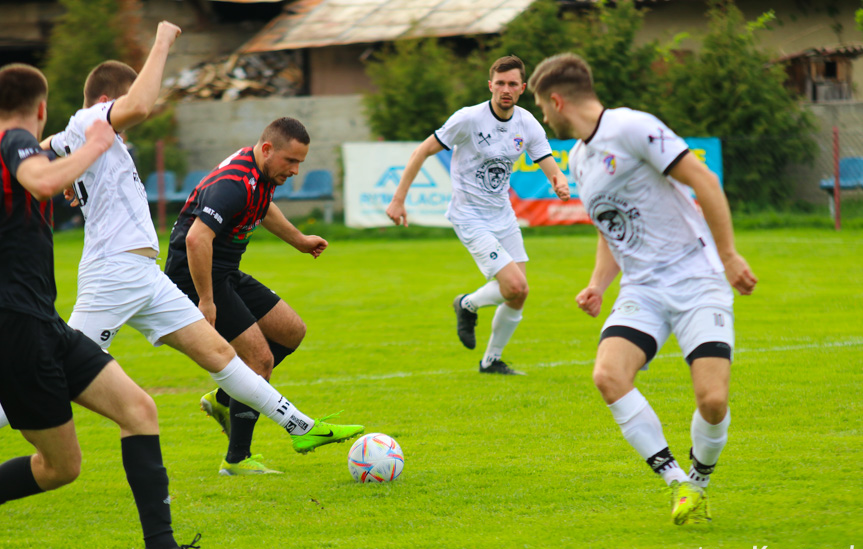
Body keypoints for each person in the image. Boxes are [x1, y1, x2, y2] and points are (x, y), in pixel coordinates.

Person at [0, 21, 363, 476]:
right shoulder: (92, 120)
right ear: (105, 103)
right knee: (48, 376)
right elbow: (140, 104)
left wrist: (66, 165)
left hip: (145, 275)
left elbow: (47, 146)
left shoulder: (90, 137)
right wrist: (163, 42)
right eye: (120, 108)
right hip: (112, 274)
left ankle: (300, 425)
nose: (128, 121)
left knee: (220, 356)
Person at [0, 63, 222, 549]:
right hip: (17, 326)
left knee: (139, 410)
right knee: (60, 467)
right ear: (39, 109)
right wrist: (96, 143)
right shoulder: (14, 140)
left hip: (41, 322)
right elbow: (40, 181)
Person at [528, 53, 758, 524]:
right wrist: (596, 283)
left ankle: (700, 483)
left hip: (697, 279)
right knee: (608, 376)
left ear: (557, 100)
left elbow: (703, 180)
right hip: (643, 288)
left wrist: (729, 254)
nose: (543, 118)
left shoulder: (632, 127)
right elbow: (609, 227)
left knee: (712, 401)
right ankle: (678, 483)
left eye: (541, 107)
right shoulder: (580, 158)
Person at [163, 117, 360, 471]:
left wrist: (299, 240)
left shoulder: (260, 173)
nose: (296, 170)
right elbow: (196, 239)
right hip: (195, 276)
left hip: (225, 271)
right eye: (291, 161)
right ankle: (237, 459)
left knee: (291, 330)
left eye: (301, 162)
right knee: (259, 361)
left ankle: (225, 398)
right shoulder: (232, 184)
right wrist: (206, 300)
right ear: (267, 149)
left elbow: (263, 206)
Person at [385, 55, 570, 375]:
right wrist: (399, 199)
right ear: (490, 86)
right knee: (514, 285)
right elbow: (422, 151)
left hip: (503, 214)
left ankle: (491, 361)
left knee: (519, 293)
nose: (505, 90)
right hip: (469, 215)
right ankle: (467, 304)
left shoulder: (526, 123)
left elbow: (549, 163)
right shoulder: (468, 119)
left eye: (512, 84)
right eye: (500, 83)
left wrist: (560, 181)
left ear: (523, 88)